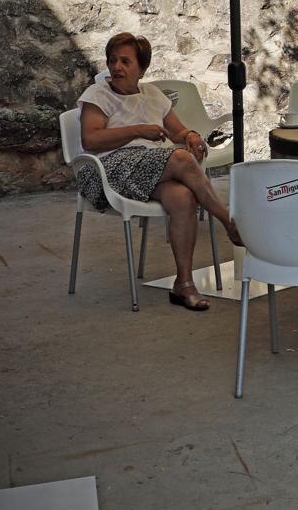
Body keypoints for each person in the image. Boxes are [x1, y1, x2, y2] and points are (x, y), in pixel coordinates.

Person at [77, 32, 241, 311]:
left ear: (141, 68)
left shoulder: (153, 95)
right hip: (110, 169)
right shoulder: (98, 94)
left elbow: (176, 130)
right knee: (180, 159)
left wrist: (189, 135)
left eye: (126, 61)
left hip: (149, 169)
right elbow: (90, 140)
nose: (117, 67)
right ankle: (229, 221)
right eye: (113, 60)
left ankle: (184, 284)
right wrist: (139, 130)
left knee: (183, 198)